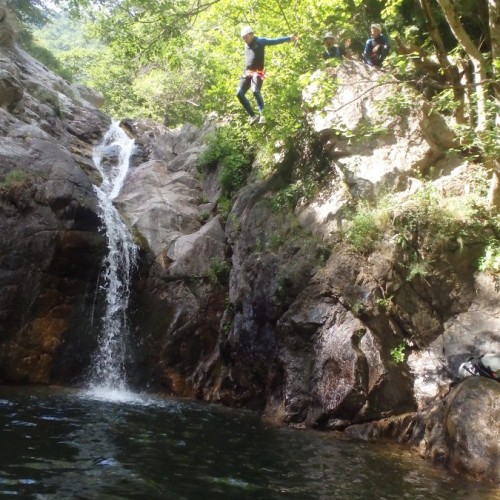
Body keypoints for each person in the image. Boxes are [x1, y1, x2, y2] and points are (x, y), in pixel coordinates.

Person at [236, 26, 298, 125]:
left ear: (251, 34)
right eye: (243, 38)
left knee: (255, 90)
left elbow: (274, 41)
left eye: (246, 37)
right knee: (239, 93)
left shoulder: (260, 41)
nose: (245, 40)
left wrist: (289, 38)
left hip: (258, 72)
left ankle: (263, 114)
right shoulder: (245, 45)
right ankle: (253, 116)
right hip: (247, 73)